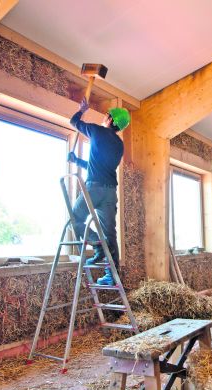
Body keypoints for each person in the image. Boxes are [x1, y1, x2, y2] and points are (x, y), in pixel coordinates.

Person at [68, 99, 130, 285]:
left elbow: (74, 122)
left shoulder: (97, 131)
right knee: (110, 234)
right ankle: (112, 276)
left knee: (74, 219)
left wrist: (82, 110)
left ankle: (96, 244)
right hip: (110, 192)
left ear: (111, 120)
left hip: (94, 188)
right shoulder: (119, 145)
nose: (104, 118)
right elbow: (98, 166)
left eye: (107, 116)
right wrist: (78, 161)